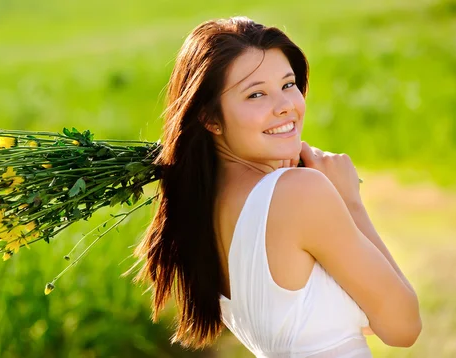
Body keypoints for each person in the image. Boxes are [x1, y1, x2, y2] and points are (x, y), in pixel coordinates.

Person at [129, 16, 421, 357]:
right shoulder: (298, 194)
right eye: (256, 94)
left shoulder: (202, 202)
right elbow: (404, 327)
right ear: (209, 118)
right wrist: (350, 201)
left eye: (288, 84)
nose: (285, 106)